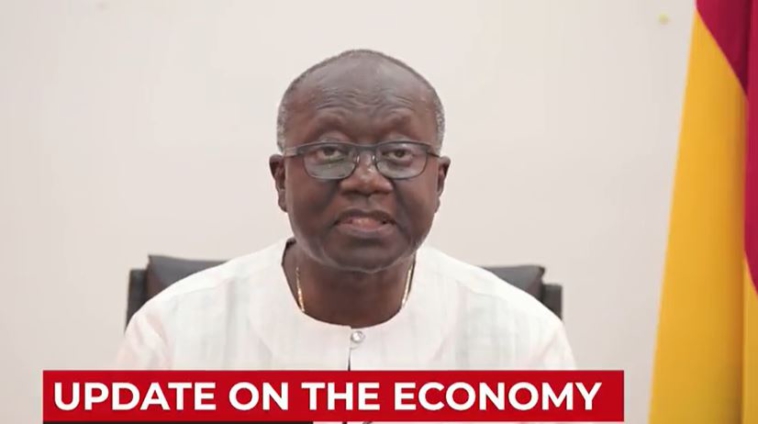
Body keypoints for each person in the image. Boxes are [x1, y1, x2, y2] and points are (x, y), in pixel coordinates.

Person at [115, 49, 575, 371]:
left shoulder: (523, 339)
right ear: (281, 180)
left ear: (438, 182)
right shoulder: (172, 332)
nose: (366, 180)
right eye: (331, 152)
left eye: (398, 153)